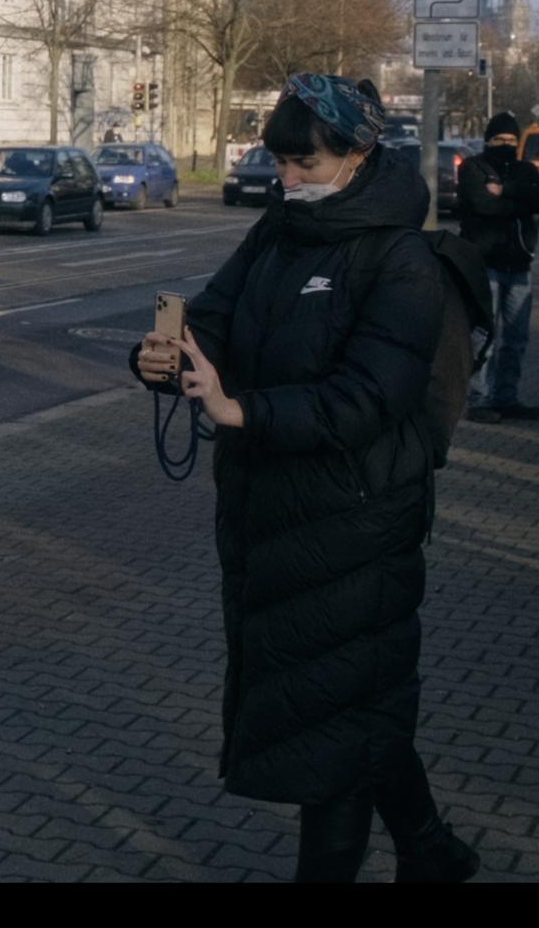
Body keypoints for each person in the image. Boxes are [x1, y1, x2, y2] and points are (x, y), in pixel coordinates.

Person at [131, 73, 478, 883]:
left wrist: (241, 410)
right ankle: (431, 851)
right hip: (269, 512)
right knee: (344, 711)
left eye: (304, 163)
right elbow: (213, 316)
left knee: (335, 731)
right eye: (279, 162)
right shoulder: (280, 230)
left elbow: (371, 396)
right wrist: (163, 358)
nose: (286, 180)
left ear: (358, 155)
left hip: (358, 519)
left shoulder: (399, 257)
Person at [457, 112, 539, 423]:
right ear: (488, 140)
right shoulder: (473, 168)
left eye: (511, 140)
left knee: (517, 338)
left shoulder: (526, 169)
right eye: (499, 140)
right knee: (483, 336)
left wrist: (505, 192)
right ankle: (477, 398)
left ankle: (506, 396)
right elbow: (482, 204)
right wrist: (519, 203)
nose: (506, 145)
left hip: (519, 264)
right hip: (485, 265)